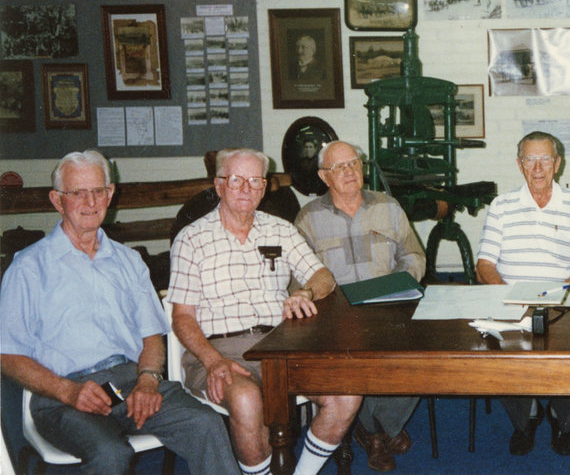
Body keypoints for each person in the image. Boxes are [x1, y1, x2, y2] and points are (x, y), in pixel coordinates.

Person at [0, 150, 237, 475]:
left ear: (110, 194)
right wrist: (67, 391)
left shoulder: (129, 261)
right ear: (57, 200)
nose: (90, 200)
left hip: (130, 383)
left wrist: (148, 381)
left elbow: (151, 336)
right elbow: (9, 356)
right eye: (77, 192)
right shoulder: (27, 268)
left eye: (98, 190)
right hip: (61, 394)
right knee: (110, 453)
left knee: (205, 423)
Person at [166, 147, 362, 475]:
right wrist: (213, 361)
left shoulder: (280, 230)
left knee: (347, 391)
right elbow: (182, 317)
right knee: (246, 399)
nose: (246, 189)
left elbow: (323, 277)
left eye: (255, 181)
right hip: (219, 349)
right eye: (236, 180)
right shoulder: (192, 239)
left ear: (265, 186)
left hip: (282, 345)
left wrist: (305, 291)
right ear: (218, 185)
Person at [295, 140, 425, 472]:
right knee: (348, 364)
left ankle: (379, 427)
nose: (349, 172)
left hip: (387, 308)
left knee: (420, 356)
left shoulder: (389, 207)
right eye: (339, 167)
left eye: (353, 163)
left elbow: (413, 256)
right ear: (324, 176)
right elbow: (298, 276)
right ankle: (374, 433)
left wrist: (398, 287)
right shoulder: (309, 218)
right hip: (336, 317)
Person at [476, 131, 570, 457]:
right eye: (530, 159)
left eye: (545, 159)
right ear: (520, 164)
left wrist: (557, 299)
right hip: (511, 299)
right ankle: (527, 415)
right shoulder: (502, 206)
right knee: (498, 350)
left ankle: (563, 418)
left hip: (564, 300)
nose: (538, 167)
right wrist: (511, 299)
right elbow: (484, 267)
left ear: (557, 164)